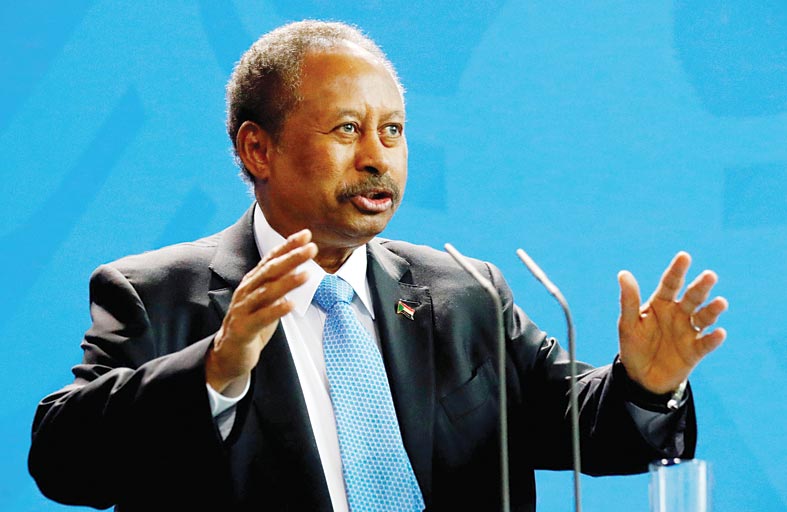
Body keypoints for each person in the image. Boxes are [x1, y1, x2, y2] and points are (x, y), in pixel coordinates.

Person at [28, 20, 727, 512]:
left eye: (392, 130)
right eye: (346, 129)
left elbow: (589, 432)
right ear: (257, 149)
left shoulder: (466, 292)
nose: (376, 157)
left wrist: (646, 384)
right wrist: (216, 369)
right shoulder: (157, 295)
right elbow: (64, 466)